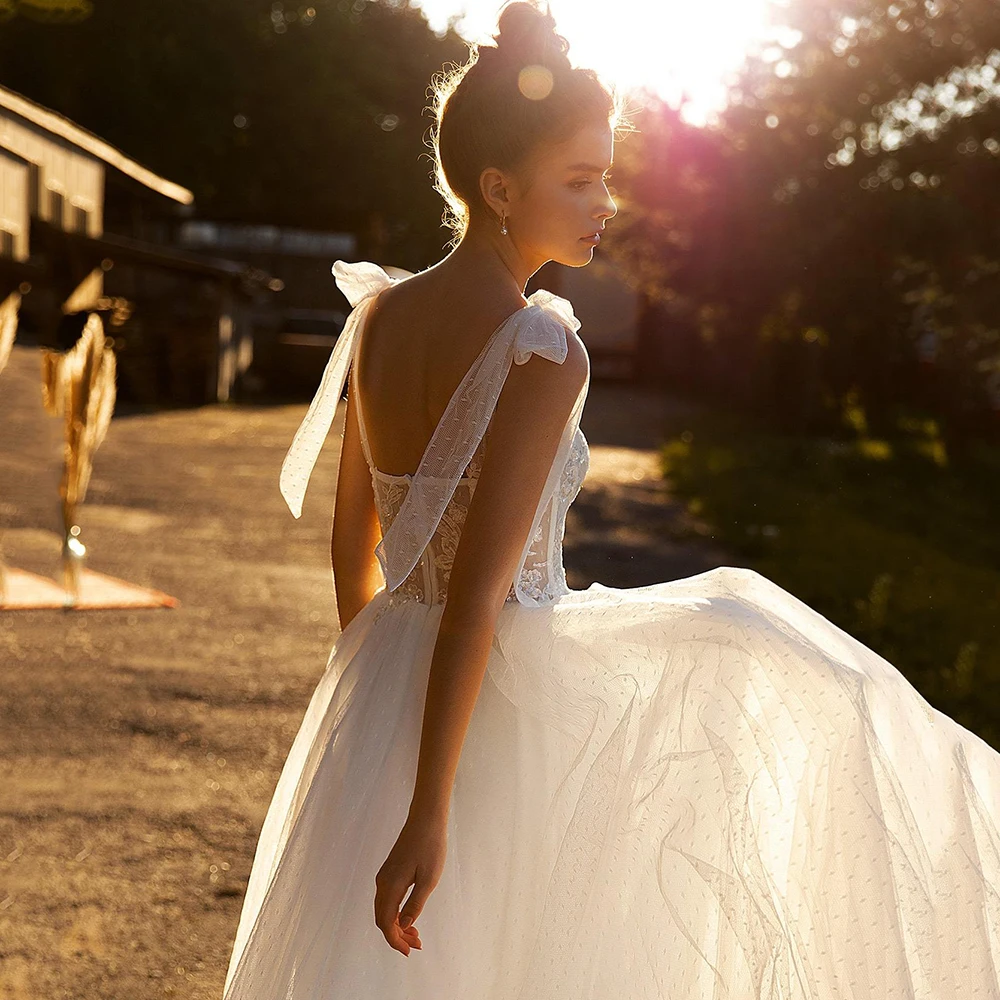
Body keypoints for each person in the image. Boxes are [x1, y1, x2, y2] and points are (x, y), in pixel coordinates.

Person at [222, 4, 1000, 997]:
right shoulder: (540, 348)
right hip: (490, 702)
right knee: (768, 657)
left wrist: (368, 688)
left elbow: (352, 542)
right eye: (581, 179)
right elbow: (476, 603)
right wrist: (429, 803)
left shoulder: (378, 313)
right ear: (500, 188)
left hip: (381, 672)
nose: (606, 201)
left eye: (607, 175)